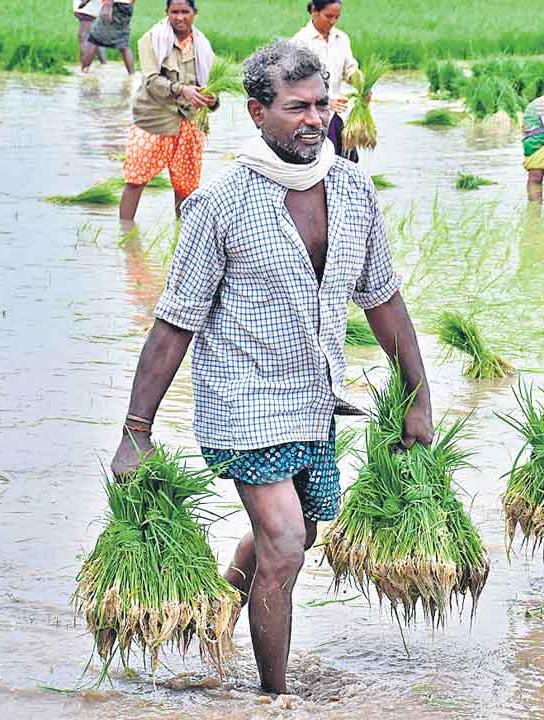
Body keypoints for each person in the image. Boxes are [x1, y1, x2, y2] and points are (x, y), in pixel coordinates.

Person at [109, 38, 433, 695]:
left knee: (302, 533)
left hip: (316, 400)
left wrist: (419, 396)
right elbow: (175, 323)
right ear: (258, 114)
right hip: (242, 401)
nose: (315, 120)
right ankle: (273, 700)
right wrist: (135, 431)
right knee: (284, 544)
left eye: (321, 105)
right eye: (296, 108)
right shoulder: (219, 205)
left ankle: (226, 603)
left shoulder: (351, 189)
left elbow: (384, 300)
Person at [118, 0, 218, 223]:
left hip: (189, 123)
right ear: (167, 13)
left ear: (195, 13)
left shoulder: (203, 46)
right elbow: (152, 80)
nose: (180, 17)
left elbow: (210, 87)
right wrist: (182, 90)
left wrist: (211, 100)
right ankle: (125, 239)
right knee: (135, 180)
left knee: (186, 188)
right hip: (154, 120)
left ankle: (182, 239)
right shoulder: (151, 39)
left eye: (185, 12)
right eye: (175, 12)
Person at [293, 0, 361, 161]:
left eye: (337, 17)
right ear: (314, 11)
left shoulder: (341, 38)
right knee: (322, 162)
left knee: (347, 160)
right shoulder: (300, 42)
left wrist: (360, 83)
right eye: (328, 16)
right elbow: (295, 84)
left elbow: (350, 69)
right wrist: (324, 102)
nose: (333, 21)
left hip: (338, 113)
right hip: (312, 116)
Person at [82, 0, 136, 74]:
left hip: (114, 6)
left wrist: (108, 5)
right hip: (127, 6)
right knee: (124, 42)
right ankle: (132, 75)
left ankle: (84, 72)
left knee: (93, 39)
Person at [73, 0, 106, 66]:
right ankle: (103, 63)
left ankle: (84, 66)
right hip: (93, 9)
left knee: (83, 37)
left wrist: (84, 2)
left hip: (87, 10)